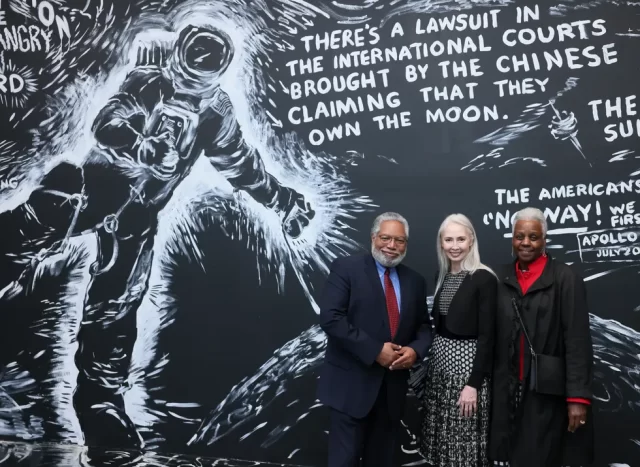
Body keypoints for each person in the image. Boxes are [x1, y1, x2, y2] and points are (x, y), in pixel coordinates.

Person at [0, 25, 314, 447]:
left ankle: (100, 401)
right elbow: (108, 122)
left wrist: (282, 201)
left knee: (117, 306)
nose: (192, 76)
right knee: (34, 226)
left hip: (138, 218)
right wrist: (143, 147)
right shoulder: (147, 82)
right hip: (92, 192)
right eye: (191, 59)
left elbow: (241, 164)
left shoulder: (215, 112)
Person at [318, 212, 433, 467]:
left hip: (391, 392)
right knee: (344, 461)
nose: (391, 246)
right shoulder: (346, 269)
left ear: (406, 244)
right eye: (385, 238)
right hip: (350, 389)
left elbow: (424, 327)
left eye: (399, 241)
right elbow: (331, 317)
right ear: (373, 237)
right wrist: (374, 350)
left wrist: (415, 351)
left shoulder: (415, 281)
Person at [489, 207, 594, 467]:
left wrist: (577, 398)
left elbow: (578, 341)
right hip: (504, 391)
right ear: (512, 239)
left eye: (533, 237)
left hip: (545, 393)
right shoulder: (498, 279)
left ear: (544, 240)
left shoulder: (565, 278)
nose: (525, 243)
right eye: (519, 236)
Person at [418, 214, 497, 467]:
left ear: (471, 240)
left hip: (466, 375)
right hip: (440, 374)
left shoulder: (483, 278)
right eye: (448, 239)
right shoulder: (441, 276)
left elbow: (488, 337)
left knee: (463, 448)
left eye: (461, 239)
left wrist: (473, 384)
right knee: (442, 445)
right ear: (441, 242)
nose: (455, 245)